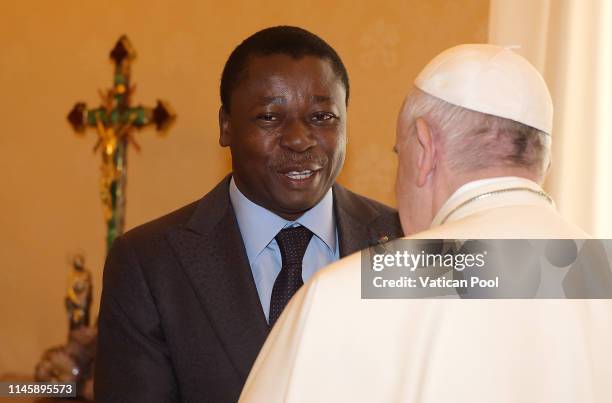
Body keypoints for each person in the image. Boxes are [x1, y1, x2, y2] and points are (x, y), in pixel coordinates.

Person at [239, 44, 612, 403]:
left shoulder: (358, 287)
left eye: (400, 153)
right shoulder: (600, 271)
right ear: (544, 161)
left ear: (424, 148)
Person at [94, 26, 402, 402]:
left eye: (322, 117)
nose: (299, 139)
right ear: (226, 126)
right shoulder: (149, 264)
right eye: (270, 118)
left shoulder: (405, 240)